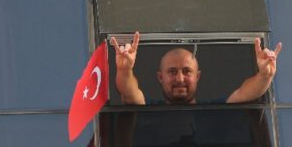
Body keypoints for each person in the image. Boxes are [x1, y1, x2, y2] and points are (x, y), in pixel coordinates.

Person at [110, 31, 282, 105]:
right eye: (172, 71)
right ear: (160, 77)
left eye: (187, 71)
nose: (180, 79)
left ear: (198, 76)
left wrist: (264, 76)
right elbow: (130, 93)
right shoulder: (148, 108)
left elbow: (246, 94)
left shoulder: (213, 110)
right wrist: (125, 70)